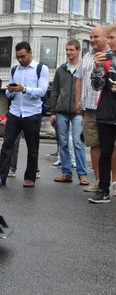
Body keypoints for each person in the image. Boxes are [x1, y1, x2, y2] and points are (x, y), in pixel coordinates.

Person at [0, 41, 49, 187]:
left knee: (32, 148)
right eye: (18, 57)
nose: (21, 59)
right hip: (15, 112)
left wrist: (24, 89)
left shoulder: (41, 69)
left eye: (23, 56)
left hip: (32, 113)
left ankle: (30, 177)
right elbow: (8, 94)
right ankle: (1, 177)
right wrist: (10, 90)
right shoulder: (15, 70)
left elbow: (42, 91)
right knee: (7, 145)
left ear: (30, 53)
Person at [75, 25, 116, 194]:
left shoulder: (110, 57)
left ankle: (114, 182)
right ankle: (100, 183)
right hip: (95, 109)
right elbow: (85, 81)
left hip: (109, 109)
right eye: (90, 37)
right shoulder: (89, 56)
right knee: (97, 146)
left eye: (96, 37)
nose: (92, 40)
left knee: (112, 147)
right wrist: (78, 102)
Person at [49, 39, 88, 184]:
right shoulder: (61, 69)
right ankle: (66, 173)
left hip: (79, 111)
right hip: (62, 111)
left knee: (78, 142)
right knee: (63, 143)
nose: (68, 52)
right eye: (67, 50)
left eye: (71, 50)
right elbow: (54, 91)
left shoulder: (84, 69)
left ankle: (82, 174)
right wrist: (52, 111)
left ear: (78, 51)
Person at [87, 23, 116, 203]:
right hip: (106, 112)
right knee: (105, 153)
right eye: (109, 38)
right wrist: (97, 69)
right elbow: (96, 86)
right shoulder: (104, 59)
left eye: (112, 38)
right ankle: (103, 190)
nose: (109, 41)